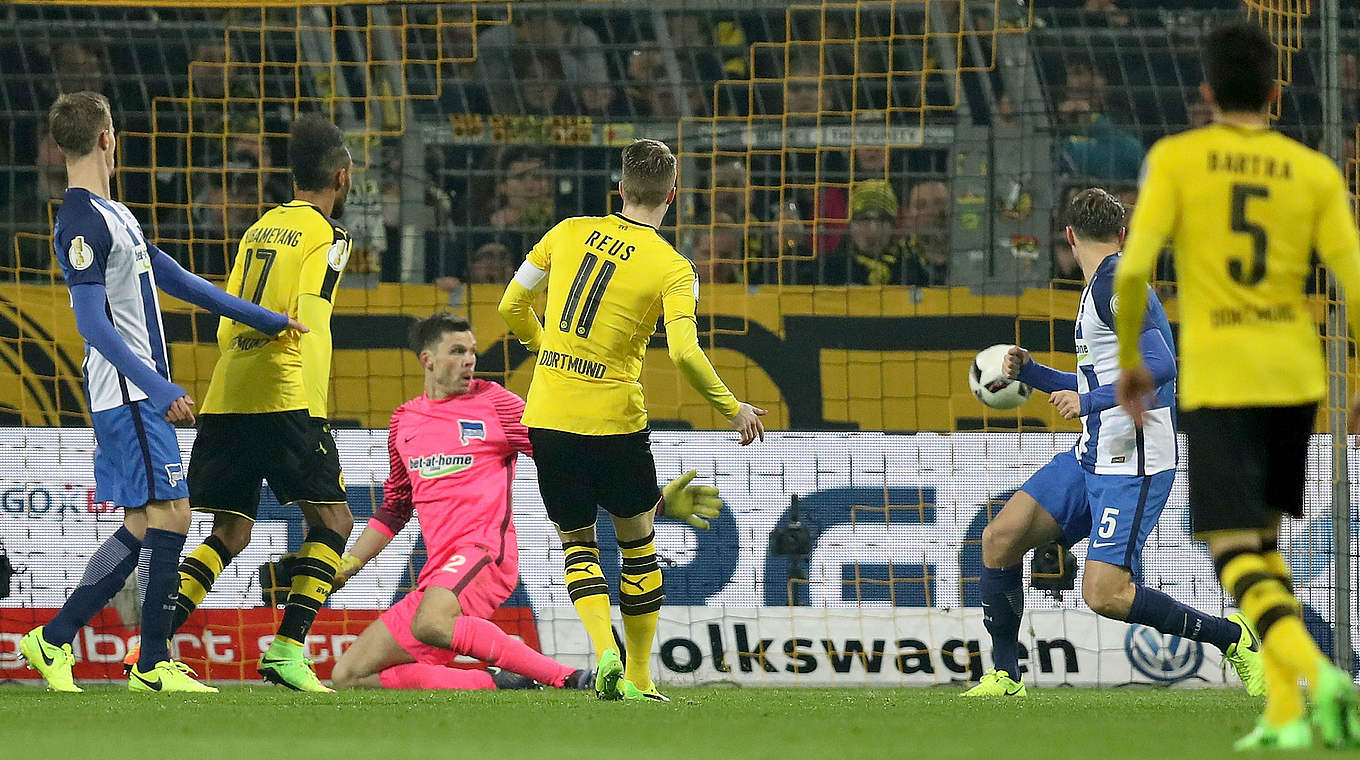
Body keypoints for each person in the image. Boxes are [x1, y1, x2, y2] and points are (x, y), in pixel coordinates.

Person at [1113, 22, 1360, 751]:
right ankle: (1284, 715)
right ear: (1277, 95)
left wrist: (1129, 358)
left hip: (1222, 379)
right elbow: (1352, 279)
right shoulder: (1314, 171)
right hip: (1294, 378)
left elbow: (1131, 272)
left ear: (1207, 93)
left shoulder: (1178, 159)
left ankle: (1323, 675)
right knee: (1266, 547)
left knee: (1230, 549)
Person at [18, 91, 301, 693]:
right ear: (105, 139)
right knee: (172, 512)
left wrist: (265, 319)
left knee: (148, 522)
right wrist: (157, 385)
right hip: (126, 391)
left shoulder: (115, 214)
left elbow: (177, 279)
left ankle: (53, 638)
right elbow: (91, 325)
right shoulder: (80, 220)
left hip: (133, 390)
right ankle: (151, 662)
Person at [961, 188, 1262, 698]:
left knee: (1104, 594)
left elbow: (1164, 364)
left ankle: (1233, 638)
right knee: (1000, 538)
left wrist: (1092, 402)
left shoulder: (1116, 283)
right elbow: (1100, 378)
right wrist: (1035, 374)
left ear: (1069, 236)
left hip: (1135, 461)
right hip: (1094, 454)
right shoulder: (1103, 285)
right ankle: (1006, 678)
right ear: (1121, 234)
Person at [498, 138, 767, 702]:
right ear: (674, 195)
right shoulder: (673, 267)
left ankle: (602, 652)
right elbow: (687, 354)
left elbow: (509, 306)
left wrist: (546, 347)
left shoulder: (565, 232)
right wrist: (732, 408)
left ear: (619, 189)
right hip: (614, 419)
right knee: (638, 543)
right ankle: (641, 676)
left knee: (577, 544)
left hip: (547, 413)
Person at [329, 313, 724, 691]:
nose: (469, 360)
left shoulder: (494, 404)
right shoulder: (405, 420)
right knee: (349, 673)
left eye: (471, 351)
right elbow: (396, 506)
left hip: (486, 552)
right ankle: (499, 682)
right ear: (427, 360)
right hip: (440, 572)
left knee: (431, 623)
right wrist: (351, 564)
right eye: (457, 351)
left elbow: (568, 462)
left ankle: (569, 677)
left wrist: (651, 504)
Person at [123, 113, 356, 692]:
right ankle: (286, 649)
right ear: (343, 178)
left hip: (229, 390)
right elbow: (313, 321)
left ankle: (148, 649)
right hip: (286, 395)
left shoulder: (259, 229)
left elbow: (229, 320)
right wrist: (315, 408)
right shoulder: (329, 236)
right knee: (333, 519)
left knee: (232, 530)